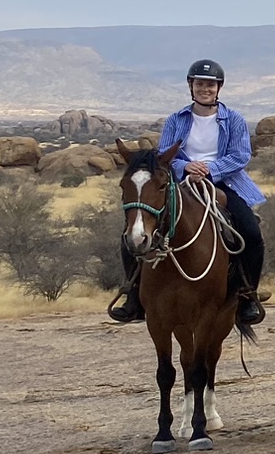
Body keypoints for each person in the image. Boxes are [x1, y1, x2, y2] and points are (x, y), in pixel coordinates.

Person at [106, 58, 266, 329]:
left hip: (225, 182)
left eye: (211, 84)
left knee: (251, 233)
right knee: (133, 233)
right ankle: (133, 296)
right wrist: (185, 166)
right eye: (200, 83)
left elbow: (241, 156)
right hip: (180, 183)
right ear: (191, 86)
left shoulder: (234, 119)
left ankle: (247, 295)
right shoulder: (176, 119)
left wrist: (210, 169)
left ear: (219, 88)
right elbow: (164, 157)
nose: (206, 89)